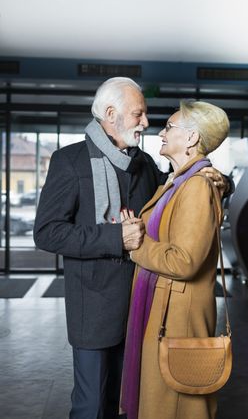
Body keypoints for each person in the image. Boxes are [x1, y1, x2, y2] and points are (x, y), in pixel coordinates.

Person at [33, 77, 229, 419]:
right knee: (93, 406)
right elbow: (47, 233)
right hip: (93, 310)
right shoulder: (70, 161)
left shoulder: (144, 165)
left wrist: (220, 180)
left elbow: (179, 190)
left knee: (130, 405)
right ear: (111, 114)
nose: (146, 123)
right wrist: (116, 239)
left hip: (144, 309)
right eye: (139, 114)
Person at [120, 100, 230, 419]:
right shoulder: (177, 180)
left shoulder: (195, 185)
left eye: (169, 127)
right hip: (164, 306)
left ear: (192, 138)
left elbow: (184, 262)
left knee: (174, 405)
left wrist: (134, 243)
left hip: (178, 317)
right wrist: (135, 227)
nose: (161, 132)